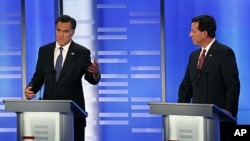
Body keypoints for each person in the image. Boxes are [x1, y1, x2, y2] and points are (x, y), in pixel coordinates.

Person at [24, 15, 101, 141]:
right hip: (49, 115)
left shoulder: (82, 52)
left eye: (65, 31)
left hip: (73, 116)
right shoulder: (44, 51)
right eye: (58, 30)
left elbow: (91, 78)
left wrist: (95, 72)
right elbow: (39, 75)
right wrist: (31, 88)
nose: (61, 35)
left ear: (72, 32)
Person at [177, 15, 240, 141]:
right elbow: (186, 86)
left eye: (193, 31)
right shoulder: (194, 56)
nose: (190, 35)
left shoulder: (224, 53)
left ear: (204, 33)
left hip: (218, 123)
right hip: (196, 122)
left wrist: (228, 113)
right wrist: (180, 110)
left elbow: (233, 86)